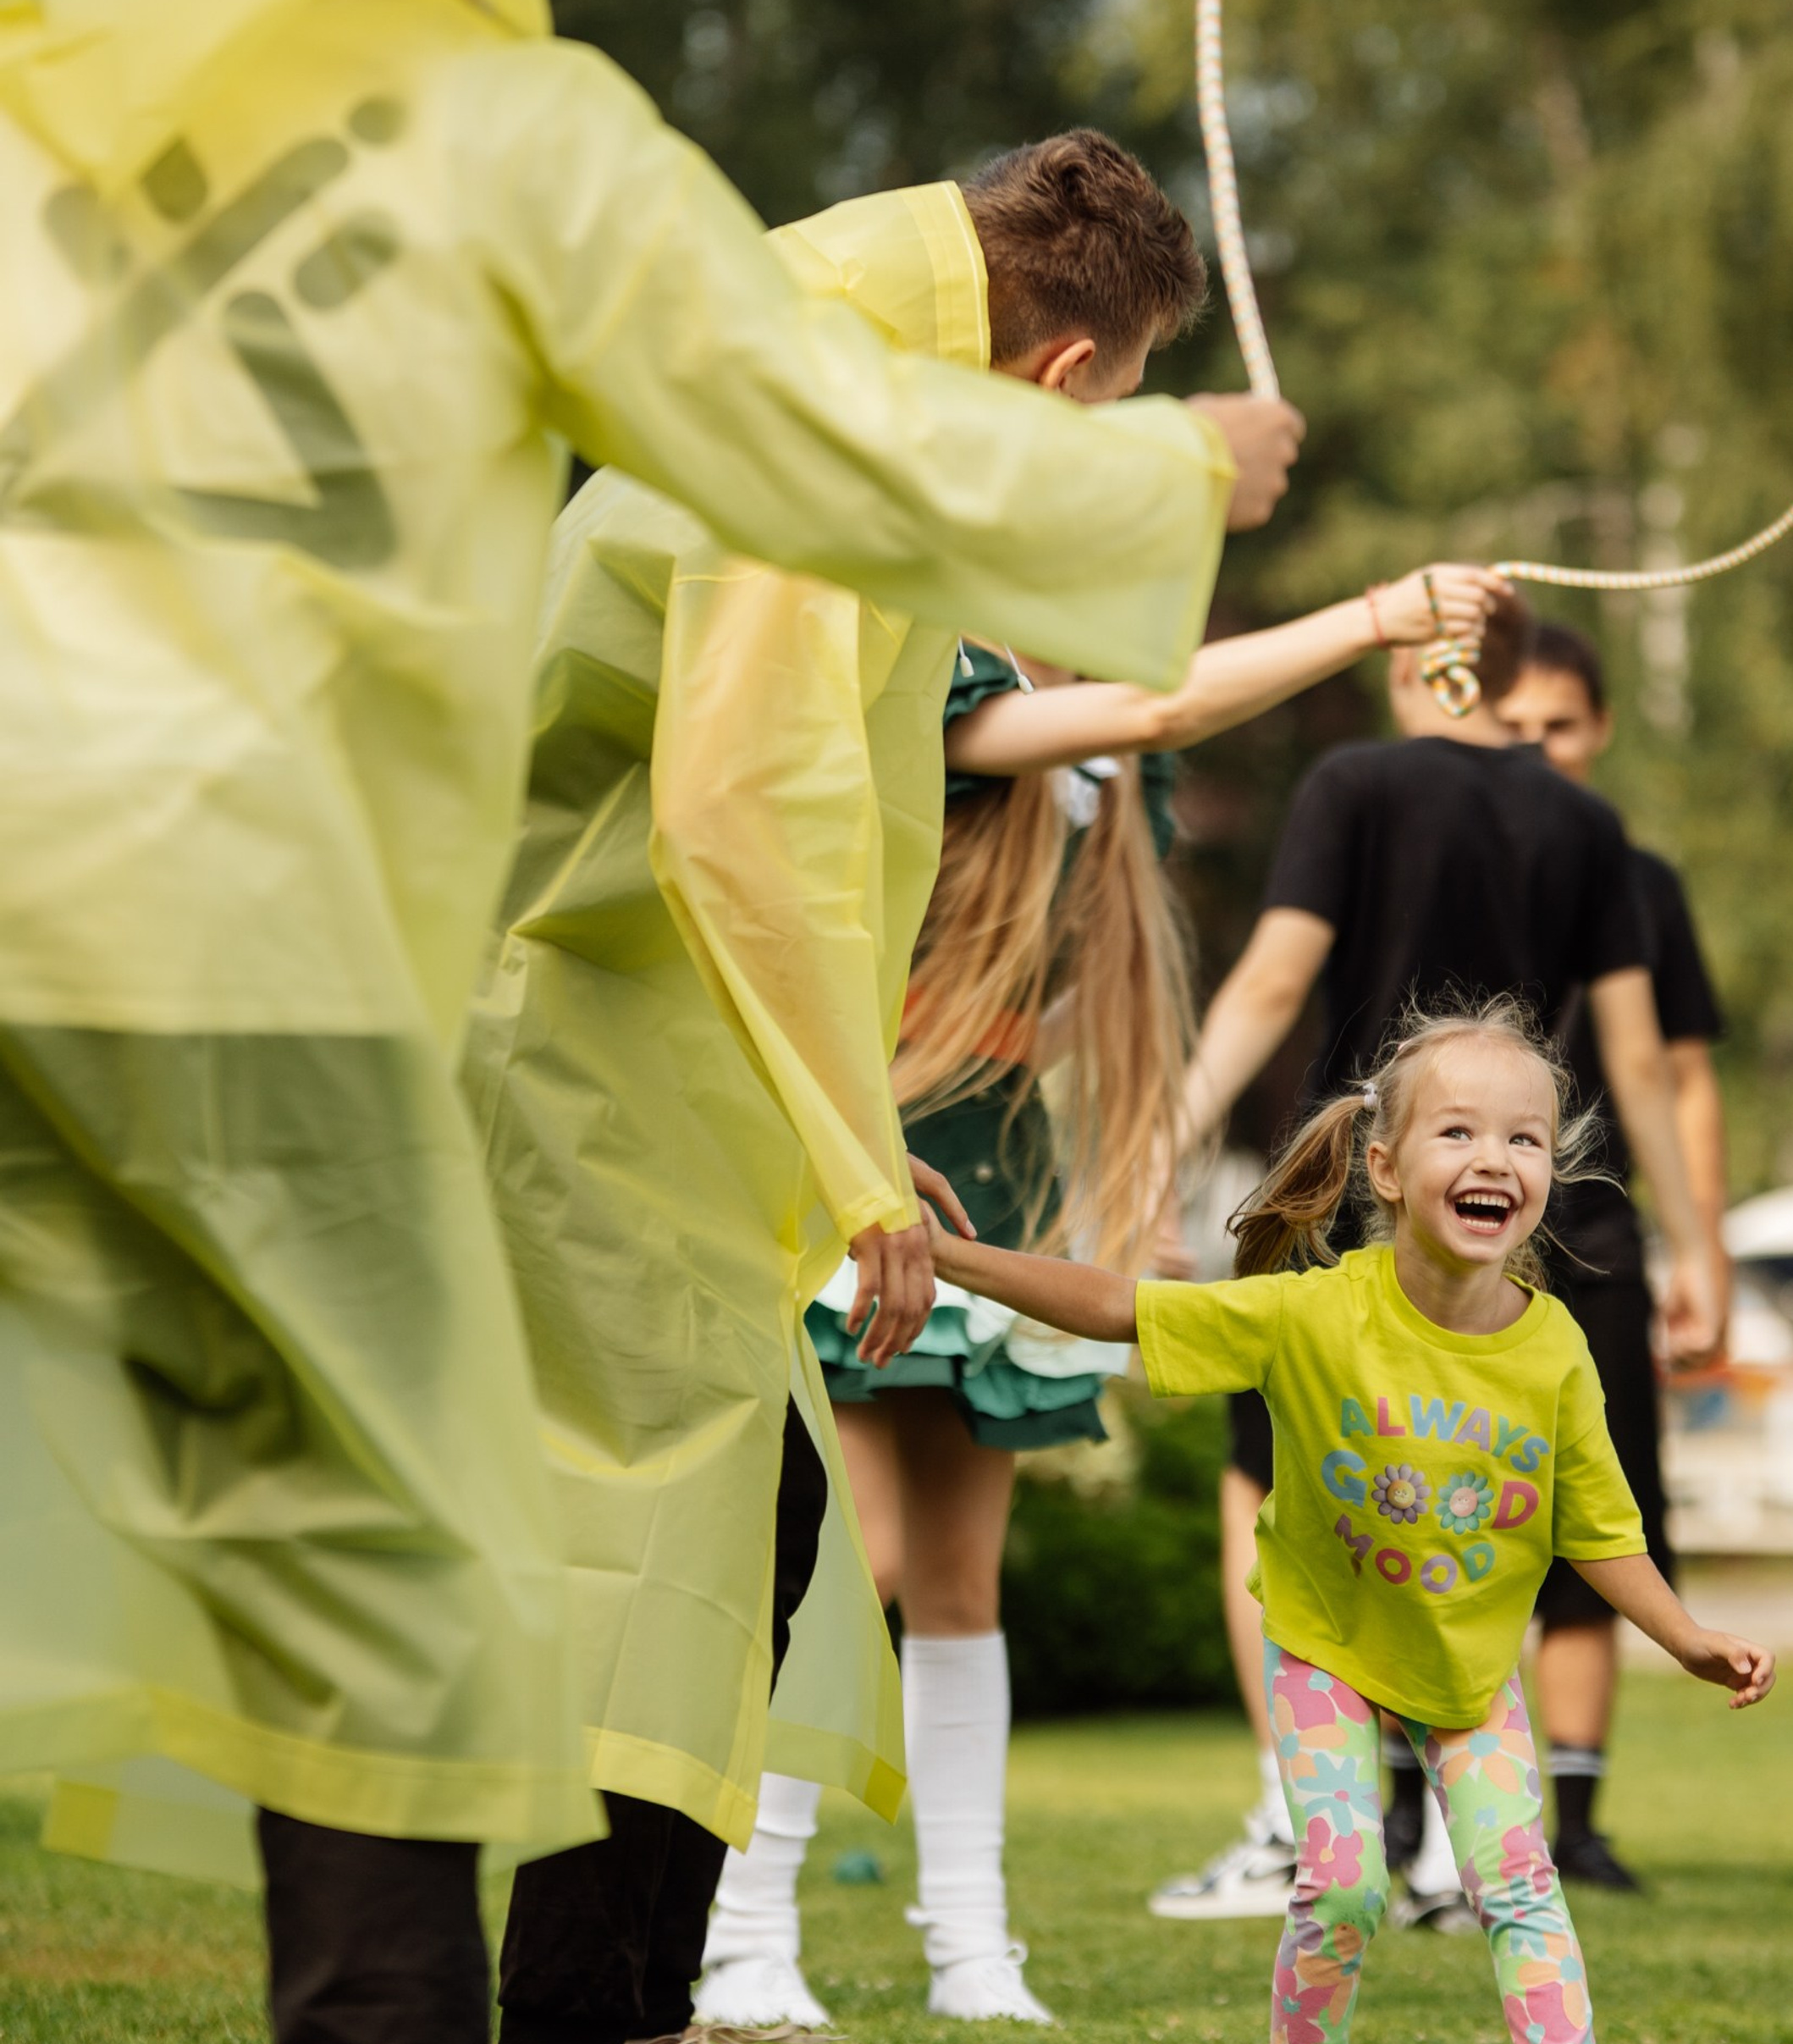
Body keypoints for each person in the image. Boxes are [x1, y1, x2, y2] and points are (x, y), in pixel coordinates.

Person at [0, 0, 1303, 2038]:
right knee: (640, 1555)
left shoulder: (101, 44)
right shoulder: (563, 166)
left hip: (205, 923)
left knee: (451, 1553)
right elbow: (750, 787)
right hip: (529, 1069)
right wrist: (1165, 478)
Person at [467, 135, 1300, 2044]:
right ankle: (590, 2013)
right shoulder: (832, 381)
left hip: (633, 1063)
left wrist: (831, 1115)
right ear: (1068, 382)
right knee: (667, 1558)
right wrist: (853, 1153)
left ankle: (616, 2001)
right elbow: (742, 808)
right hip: (571, 1057)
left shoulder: (834, 310)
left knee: (721, 1539)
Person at [698, 537, 1509, 2025]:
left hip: (996, 1178)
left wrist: (1127, 1187)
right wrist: (1383, 617)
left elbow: (1078, 998)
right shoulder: (956, 690)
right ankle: (744, 1935)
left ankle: (971, 1948)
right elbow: (1152, 713)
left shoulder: (1100, 785)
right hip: (864, 1169)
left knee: (955, 1585)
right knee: (848, 1565)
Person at [924, 998, 1774, 2044]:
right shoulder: (1313, 1312)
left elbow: (1598, 1530)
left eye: (1524, 1138)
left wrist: (1685, 1636)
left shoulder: (1555, 1351)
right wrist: (948, 1260)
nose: (1494, 1157)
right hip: (1326, 1643)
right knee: (1342, 1888)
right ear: (1383, 1167)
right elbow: (1119, 1308)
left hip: (1467, 1669)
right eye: (1457, 1131)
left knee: (1517, 1882)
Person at [1150, 593, 1723, 1926]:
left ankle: (1303, 1816)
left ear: (1421, 664)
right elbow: (1633, 1055)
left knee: (1274, 1491)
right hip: (1517, 1201)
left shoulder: (1353, 782)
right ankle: (1446, 1848)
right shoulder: (1587, 822)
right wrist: (1692, 1244)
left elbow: (1275, 981)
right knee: (1487, 1505)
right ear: (1510, 678)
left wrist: (1161, 1146)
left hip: (1357, 1191)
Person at [1495, 618, 1729, 1891]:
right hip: (1453, 1246)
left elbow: (1677, 1075)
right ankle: (1421, 1822)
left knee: (1605, 1513)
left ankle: (1571, 1820)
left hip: (1591, 1234)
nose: (1536, 750)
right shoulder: (1443, 846)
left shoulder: (1636, 880)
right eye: (1513, 725)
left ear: (1600, 731)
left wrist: (1707, 1250)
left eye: (1560, 728)